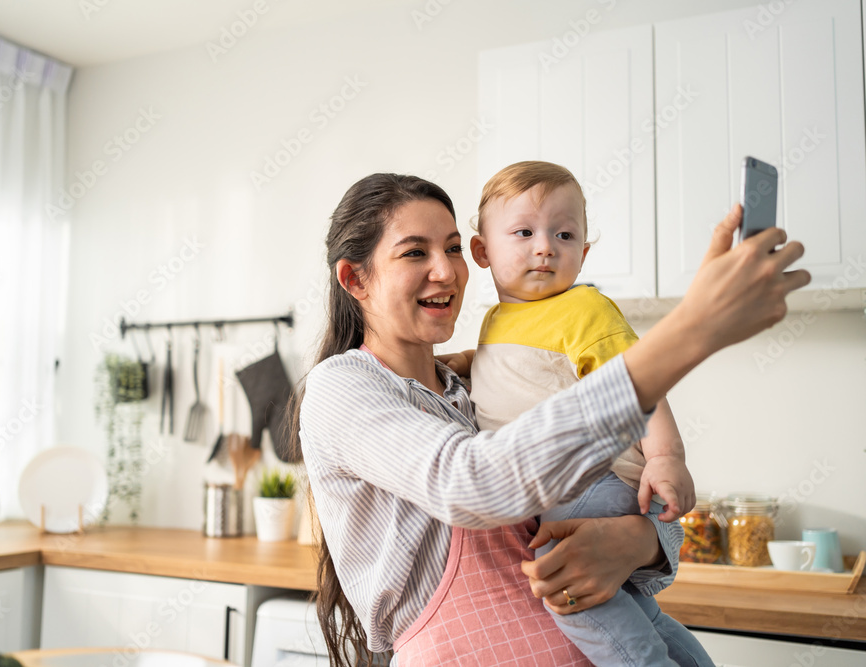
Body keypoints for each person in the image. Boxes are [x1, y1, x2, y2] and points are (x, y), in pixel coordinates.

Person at [295, 173, 808, 666]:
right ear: (354, 278)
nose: (447, 271)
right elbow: (471, 481)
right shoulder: (342, 388)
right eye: (415, 252)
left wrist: (638, 542)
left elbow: (642, 496)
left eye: (453, 247)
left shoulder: (482, 387)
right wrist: (689, 333)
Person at [467, 161, 709, 665]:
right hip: (568, 486)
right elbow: (524, 369)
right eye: (524, 232)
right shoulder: (500, 319)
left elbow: (643, 384)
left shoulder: (585, 309)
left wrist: (666, 457)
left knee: (562, 576)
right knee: (637, 608)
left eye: (564, 233)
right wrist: (466, 363)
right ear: (482, 251)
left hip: (592, 480)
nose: (545, 246)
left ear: (584, 251)